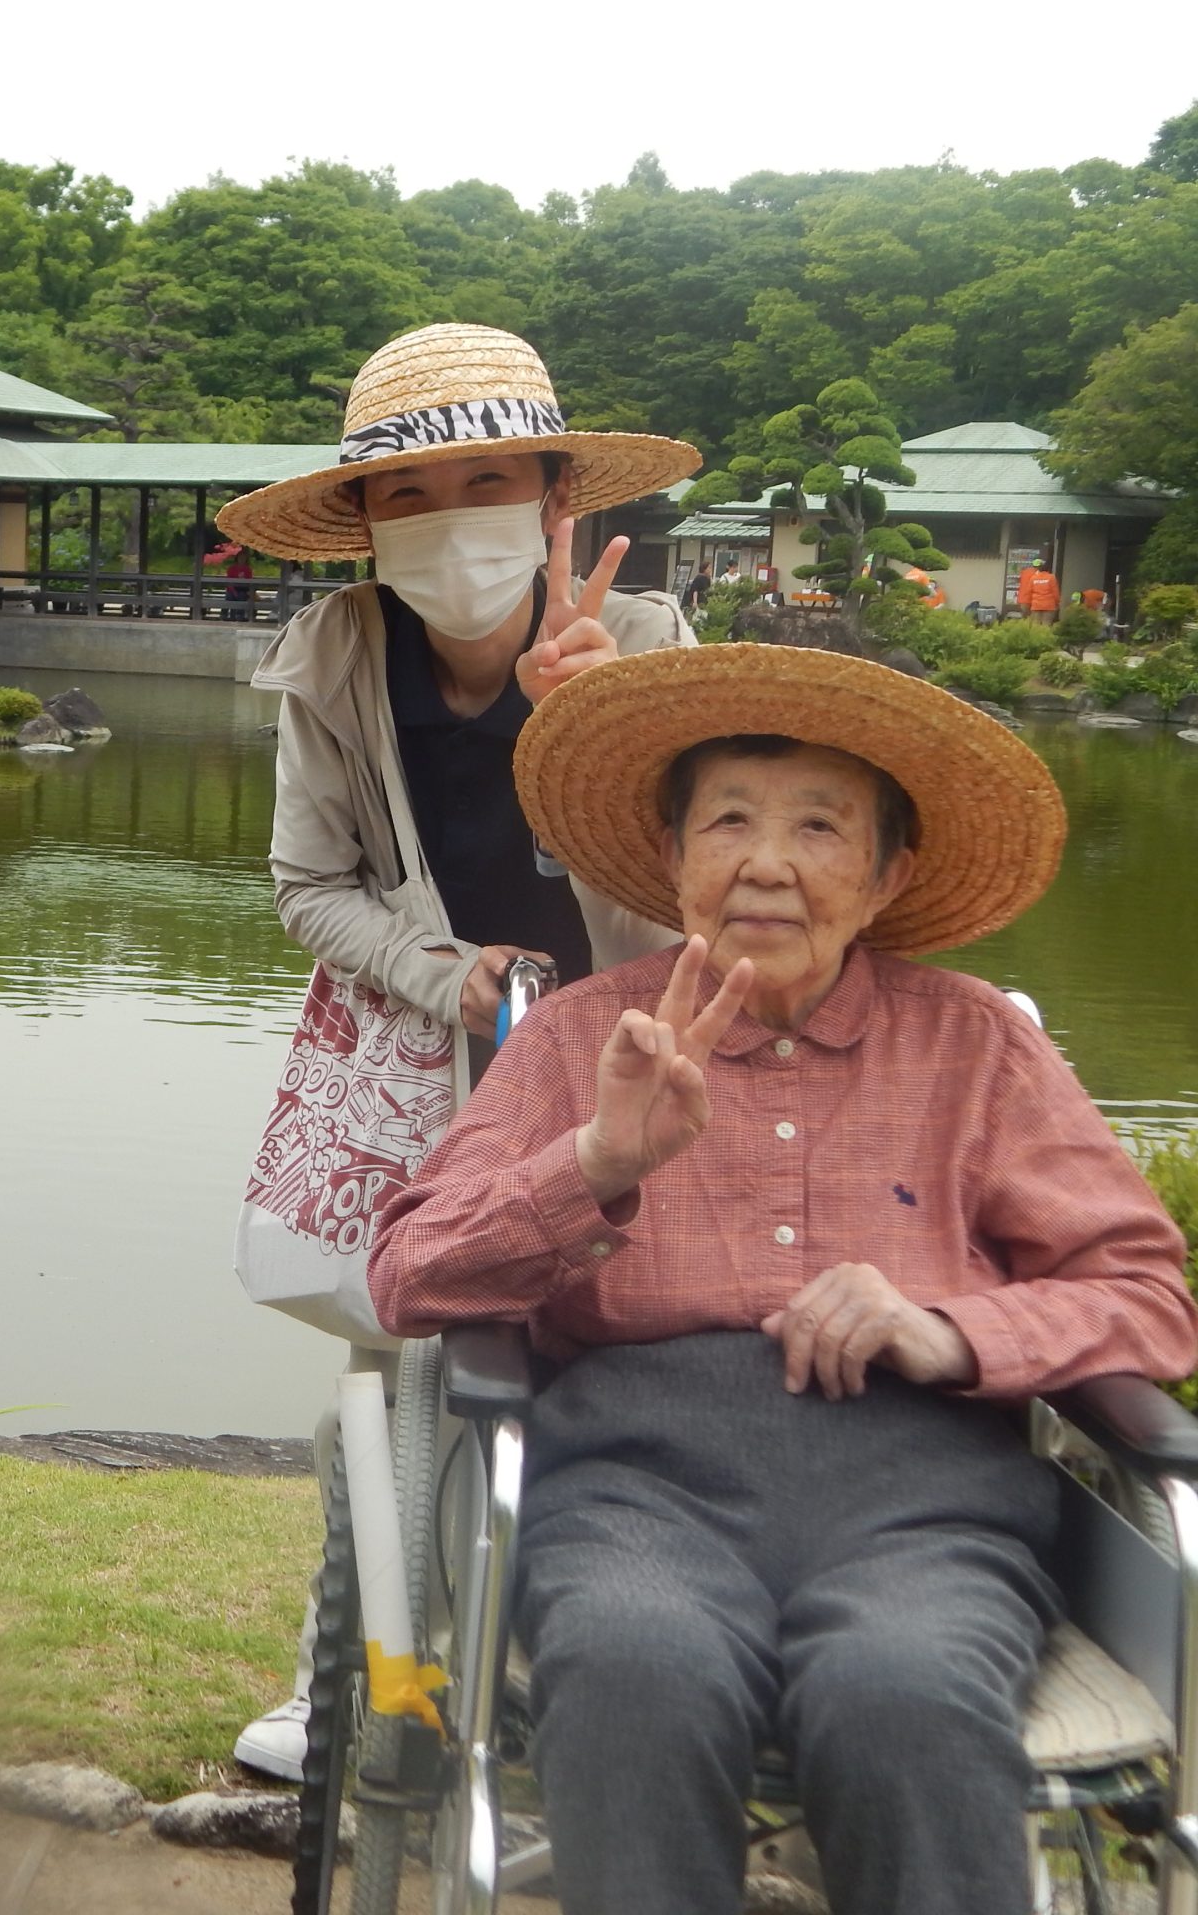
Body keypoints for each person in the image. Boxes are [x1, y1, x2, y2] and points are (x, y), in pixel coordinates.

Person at [369, 642, 1198, 1915]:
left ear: (887, 875)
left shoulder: (975, 1047)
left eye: (819, 827)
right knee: (638, 1671)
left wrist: (950, 1329)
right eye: (730, 823)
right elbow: (410, 1274)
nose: (766, 863)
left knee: (905, 1694)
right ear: (672, 858)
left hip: (926, 1509)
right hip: (634, 1491)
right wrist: (594, 1161)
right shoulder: (584, 1036)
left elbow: (1145, 1293)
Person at [214, 320, 702, 1779]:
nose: (449, 523)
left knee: (590, 1350)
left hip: (613, 1060)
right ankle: (355, 1683)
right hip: (425, 1050)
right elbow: (309, 888)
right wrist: (443, 971)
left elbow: (689, 909)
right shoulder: (339, 653)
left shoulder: (657, 645)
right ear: (361, 524)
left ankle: (561, 1671)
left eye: (490, 483)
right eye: (408, 495)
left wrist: (588, 733)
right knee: (393, 1368)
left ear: (561, 502)